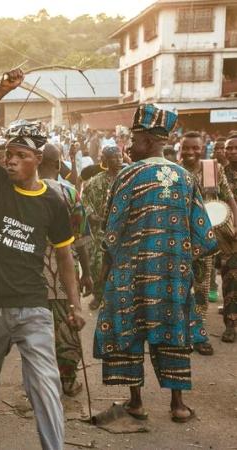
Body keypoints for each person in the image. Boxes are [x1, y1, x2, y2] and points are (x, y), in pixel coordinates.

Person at [0, 68, 84, 450]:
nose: (10, 161)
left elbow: (64, 256)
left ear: (37, 160)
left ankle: (54, 447)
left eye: (19, 156)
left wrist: (75, 305)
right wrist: (1, 88)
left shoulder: (53, 202)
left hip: (33, 307)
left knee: (44, 382)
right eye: (8, 155)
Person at [94, 104, 217, 424]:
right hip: (171, 278)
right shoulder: (185, 178)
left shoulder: (127, 175)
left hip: (130, 275)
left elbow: (112, 229)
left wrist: (103, 274)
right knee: (174, 332)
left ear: (148, 140)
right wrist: (181, 261)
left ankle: (136, 402)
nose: (129, 147)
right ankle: (177, 405)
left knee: (127, 333)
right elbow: (204, 235)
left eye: (134, 140)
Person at [38, 143, 93, 397]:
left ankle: (39, 381)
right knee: (68, 325)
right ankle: (68, 379)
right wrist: (87, 272)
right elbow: (81, 237)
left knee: (36, 328)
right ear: (58, 165)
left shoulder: (24, 192)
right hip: (64, 271)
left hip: (33, 272)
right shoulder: (70, 193)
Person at [180, 131, 237, 356]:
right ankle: (179, 334)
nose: (191, 152)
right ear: (180, 149)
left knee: (202, 289)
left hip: (205, 240)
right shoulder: (173, 171)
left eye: (195, 148)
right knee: (180, 287)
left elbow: (229, 198)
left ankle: (198, 334)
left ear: (203, 148)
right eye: (186, 148)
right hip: (178, 238)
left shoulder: (212, 169)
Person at [82, 146, 124, 311]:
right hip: (101, 231)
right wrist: (91, 213)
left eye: (120, 156)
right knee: (97, 265)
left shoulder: (127, 178)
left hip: (122, 231)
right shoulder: (96, 181)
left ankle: (115, 298)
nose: (118, 160)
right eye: (114, 157)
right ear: (105, 160)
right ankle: (98, 296)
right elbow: (84, 198)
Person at [219, 135, 237, 342]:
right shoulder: (218, 173)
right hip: (229, 234)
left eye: (235, 148)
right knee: (230, 278)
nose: (232, 151)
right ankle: (230, 325)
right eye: (228, 148)